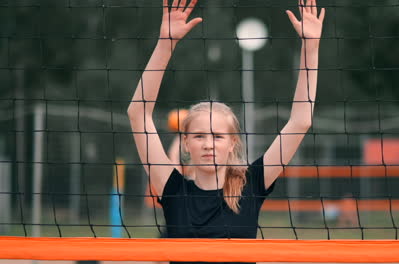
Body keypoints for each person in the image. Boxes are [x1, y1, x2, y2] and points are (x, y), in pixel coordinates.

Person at [127, 0, 325, 257]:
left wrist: (311, 47)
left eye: (218, 136)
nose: (209, 144)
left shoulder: (251, 185)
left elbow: (301, 121)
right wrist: (165, 44)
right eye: (199, 136)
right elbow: (138, 114)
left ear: (232, 142)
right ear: (186, 142)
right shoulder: (173, 190)